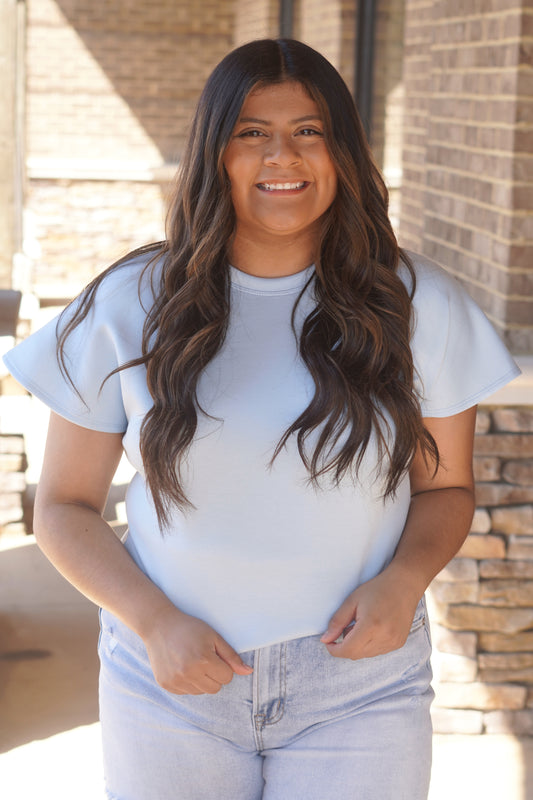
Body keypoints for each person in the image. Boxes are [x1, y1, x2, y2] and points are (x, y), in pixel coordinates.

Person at [4, 38, 519, 800]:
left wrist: (404, 581)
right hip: (171, 681)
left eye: (309, 130)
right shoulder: (130, 304)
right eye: (252, 132)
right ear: (215, 152)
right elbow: (62, 508)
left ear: (343, 152)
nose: (283, 155)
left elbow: (444, 490)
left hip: (360, 687)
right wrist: (153, 622)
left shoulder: (416, 305)